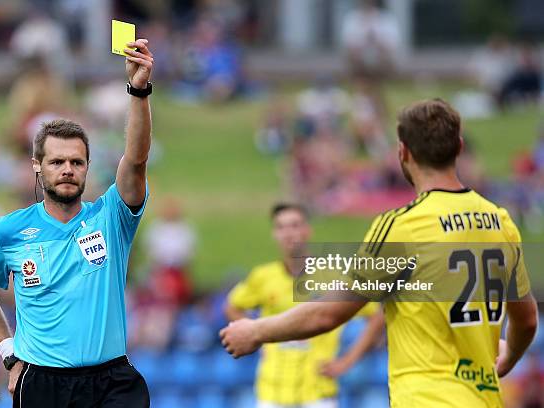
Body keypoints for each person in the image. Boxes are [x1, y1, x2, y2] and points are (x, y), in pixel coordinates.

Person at [220, 99, 538, 407]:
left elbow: (328, 313)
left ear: (403, 153)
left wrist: (256, 330)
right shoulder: (501, 221)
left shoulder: (402, 228)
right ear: (459, 147)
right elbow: (526, 320)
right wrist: (508, 356)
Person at [0, 38, 155, 407]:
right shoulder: (9, 230)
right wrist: (9, 352)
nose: (67, 169)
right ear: (38, 165)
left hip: (112, 382)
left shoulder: (111, 217)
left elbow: (134, 160)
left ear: (87, 167)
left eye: (77, 162)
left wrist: (138, 90)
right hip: (43, 384)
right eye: (57, 162)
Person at [225, 203, 384, 408]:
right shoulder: (263, 277)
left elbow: (377, 315)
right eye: (281, 227)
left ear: (308, 229)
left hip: (317, 389)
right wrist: (256, 334)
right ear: (274, 233)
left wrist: (348, 360)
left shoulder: (333, 276)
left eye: (295, 225)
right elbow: (232, 306)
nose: (288, 233)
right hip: (272, 390)